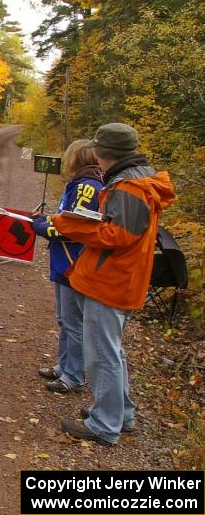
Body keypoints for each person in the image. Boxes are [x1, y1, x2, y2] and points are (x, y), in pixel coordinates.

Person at [49, 123, 175, 446]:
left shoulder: (129, 187)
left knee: (102, 354)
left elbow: (119, 235)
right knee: (112, 352)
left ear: (107, 153)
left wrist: (73, 225)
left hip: (113, 281)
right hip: (122, 279)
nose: (96, 157)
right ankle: (122, 414)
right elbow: (120, 230)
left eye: (98, 152)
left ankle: (105, 424)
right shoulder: (134, 179)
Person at [32, 140, 103, 394]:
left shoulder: (88, 186)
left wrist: (43, 227)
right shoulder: (81, 183)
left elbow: (77, 229)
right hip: (65, 260)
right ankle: (65, 366)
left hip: (75, 262)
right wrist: (49, 219)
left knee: (73, 323)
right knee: (65, 320)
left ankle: (74, 375)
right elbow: (68, 218)